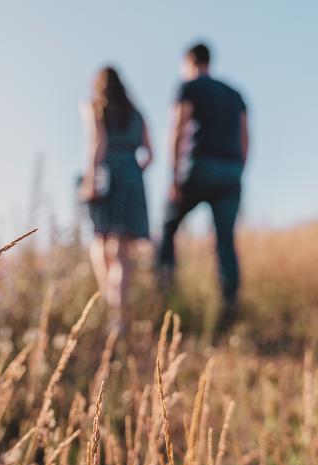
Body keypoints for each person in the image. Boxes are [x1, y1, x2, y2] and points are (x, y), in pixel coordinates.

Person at [157, 43, 249, 327]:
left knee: (168, 227)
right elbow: (246, 137)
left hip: (200, 167)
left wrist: (174, 176)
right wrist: (238, 171)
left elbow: (178, 128)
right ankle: (229, 307)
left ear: (190, 62)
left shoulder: (189, 86)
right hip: (231, 170)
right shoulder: (235, 94)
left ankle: (166, 296)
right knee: (225, 240)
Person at [80, 67, 153, 333]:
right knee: (122, 252)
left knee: (100, 240)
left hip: (106, 174)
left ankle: (111, 304)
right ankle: (119, 317)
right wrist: (133, 175)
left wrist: (90, 180)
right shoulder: (137, 114)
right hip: (132, 176)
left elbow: (96, 142)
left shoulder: (94, 107)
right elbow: (150, 153)